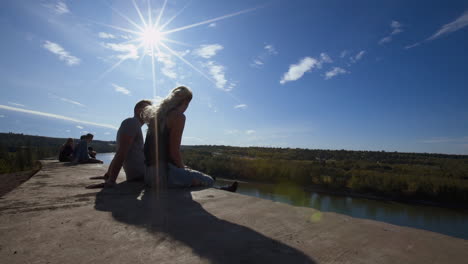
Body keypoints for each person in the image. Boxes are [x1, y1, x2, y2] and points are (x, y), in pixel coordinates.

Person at [142, 86, 237, 191]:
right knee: (208, 180)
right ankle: (222, 189)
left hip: (148, 174)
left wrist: (182, 167)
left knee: (191, 173)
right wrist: (182, 168)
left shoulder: (158, 115)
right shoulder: (178, 116)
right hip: (163, 176)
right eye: (188, 104)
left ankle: (222, 188)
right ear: (185, 102)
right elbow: (174, 152)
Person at [87, 100, 152, 188]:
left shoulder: (133, 124)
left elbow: (119, 152)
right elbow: (122, 152)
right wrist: (111, 181)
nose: (151, 112)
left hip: (141, 173)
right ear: (137, 110)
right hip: (141, 175)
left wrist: (108, 175)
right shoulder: (132, 123)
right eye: (147, 109)